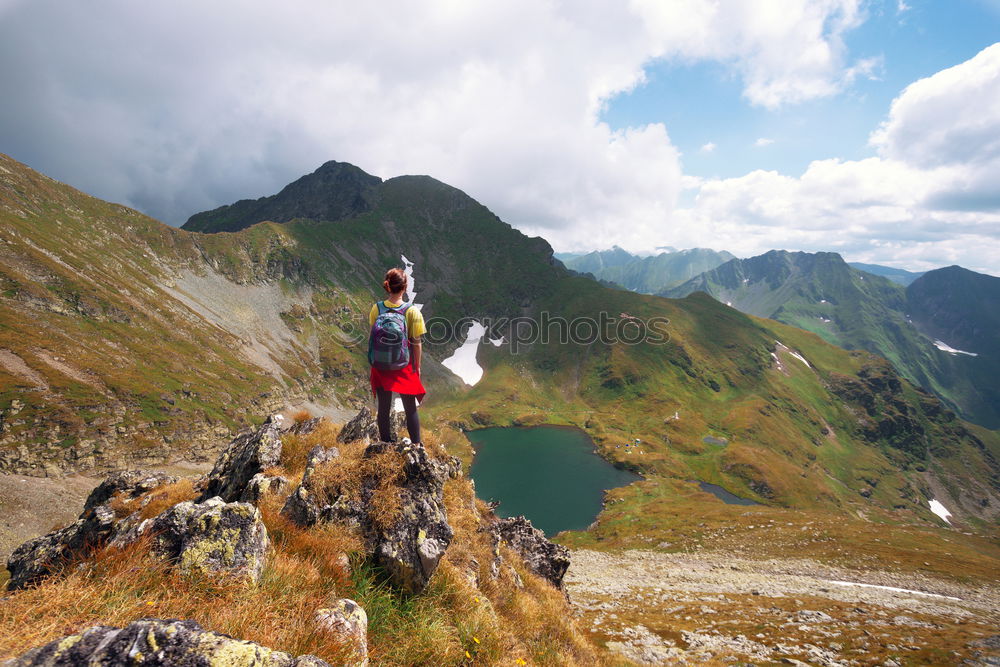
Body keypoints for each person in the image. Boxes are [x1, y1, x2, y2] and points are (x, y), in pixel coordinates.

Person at [368, 267, 426, 444]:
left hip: (380, 364)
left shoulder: (376, 308)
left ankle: (385, 445)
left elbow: (373, 334)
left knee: (383, 408)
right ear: (405, 287)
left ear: (387, 286)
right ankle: (416, 447)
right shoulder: (411, 311)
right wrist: (417, 368)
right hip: (403, 365)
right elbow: (416, 343)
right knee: (411, 409)